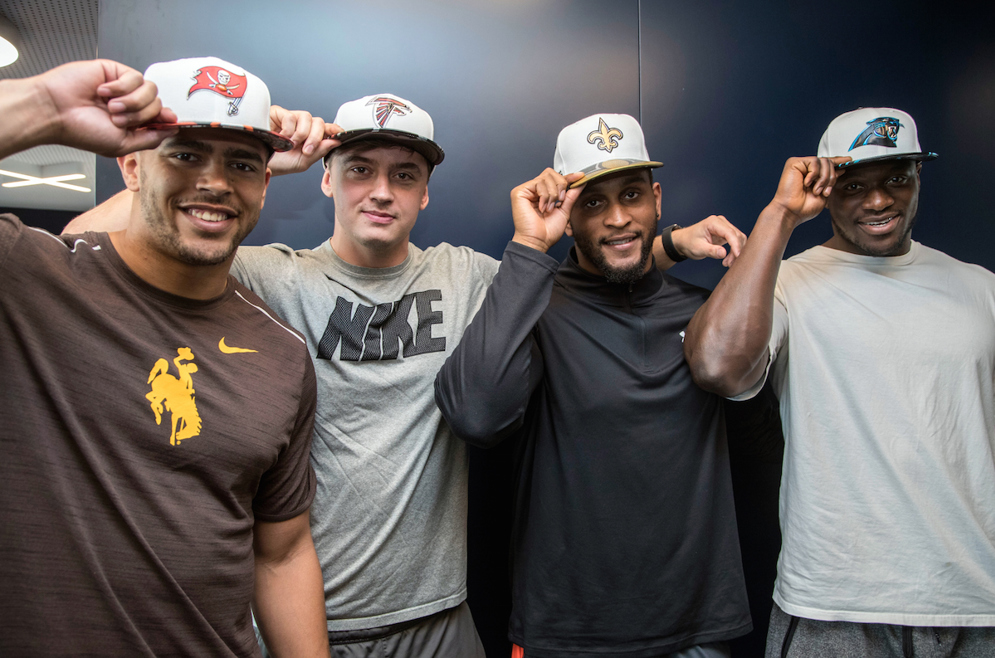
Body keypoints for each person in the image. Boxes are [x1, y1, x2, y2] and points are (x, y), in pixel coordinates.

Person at [71, 95, 746, 656]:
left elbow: (583, 280)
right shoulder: (267, 275)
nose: (380, 192)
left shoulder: (470, 277)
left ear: (425, 193)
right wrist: (264, 162)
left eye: (402, 175)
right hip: (300, 619)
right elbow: (86, 245)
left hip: (440, 620)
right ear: (327, 178)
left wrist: (668, 245)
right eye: (359, 169)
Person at [0, 57, 329, 657]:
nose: (216, 181)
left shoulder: (281, 353)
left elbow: (281, 554)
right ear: (130, 166)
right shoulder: (26, 277)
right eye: (185, 153)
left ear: (264, 185)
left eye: (241, 164)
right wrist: (42, 109)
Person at [434, 113, 767, 657]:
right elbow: (476, 414)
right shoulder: (533, 308)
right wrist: (526, 247)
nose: (617, 218)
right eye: (592, 202)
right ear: (566, 217)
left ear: (657, 199)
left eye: (632, 195)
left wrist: (673, 247)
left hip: (695, 629)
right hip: (567, 632)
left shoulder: (703, 312)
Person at [682, 107, 995, 656]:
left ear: (919, 177)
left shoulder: (980, 290)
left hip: (976, 599)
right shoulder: (784, 284)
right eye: (854, 184)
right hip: (836, 602)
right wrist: (780, 214)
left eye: (897, 179)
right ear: (826, 189)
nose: (878, 201)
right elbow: (716, 367)